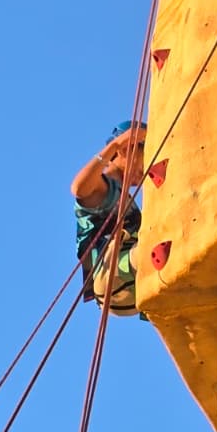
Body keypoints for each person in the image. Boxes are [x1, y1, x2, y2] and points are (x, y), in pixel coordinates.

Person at [71, 120, 146, 317]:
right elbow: (79, 188)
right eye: (144, 158)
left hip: (129, 286)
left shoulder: (127, 200)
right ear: (125, 150)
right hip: (112, 273)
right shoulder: (105, 188)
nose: (145, 170)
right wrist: (114, 145)